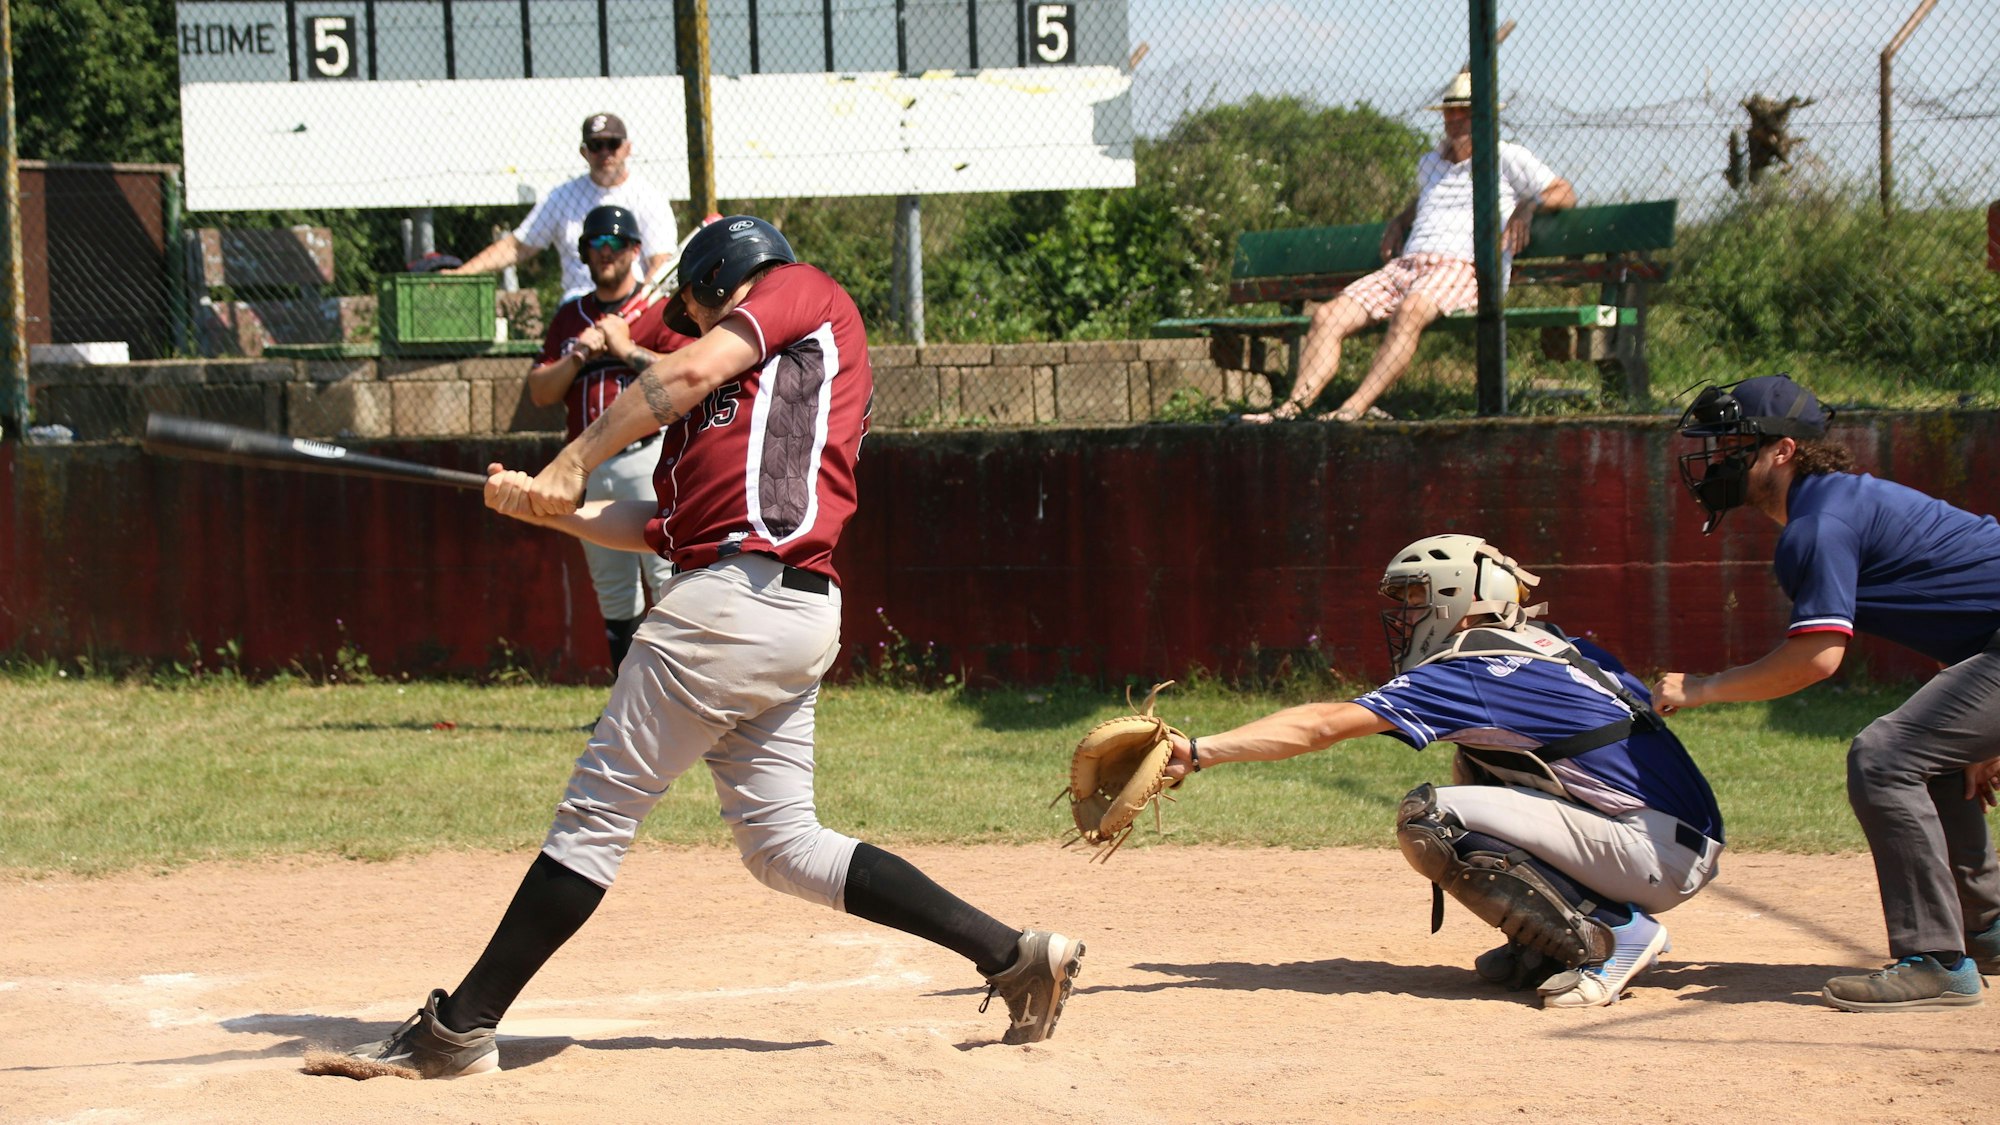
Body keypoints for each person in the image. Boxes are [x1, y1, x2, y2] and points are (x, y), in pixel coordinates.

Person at [315, 216, 1083, 1080]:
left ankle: (458, 1028)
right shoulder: (731, 412)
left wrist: (573, 456)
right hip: (775, 612)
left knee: (597, 813)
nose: (699, 326)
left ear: (724, 277)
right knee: (784, 843)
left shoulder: (801, 290)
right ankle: (1014, 956)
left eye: (699, 307)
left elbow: (680, 371)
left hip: (737, 603)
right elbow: (658, 527)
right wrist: (543, 503)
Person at [1162, 534, 1724, 1008]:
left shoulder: (1473, 669)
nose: (1405, 616)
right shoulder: (1556, 647)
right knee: (1473, 762)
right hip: (1668, 838)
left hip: (1647, 850)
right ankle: (1550, 941)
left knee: (1431, 817)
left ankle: (1620, 932)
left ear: (1463, 599)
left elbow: (1323, 725)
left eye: (1417, 598)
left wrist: (1199, 749)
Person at [1654, 373, 2000, 1012]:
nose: (1718, 461)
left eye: (1734, 446)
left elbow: (1815, 659)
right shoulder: (1838, 503)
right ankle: (1987, 932)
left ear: (1782, 451)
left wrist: (1702, 688)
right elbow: (1967, 603)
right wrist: (1980, 734)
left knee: (1884, 757)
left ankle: (1936, 961)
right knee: (1932, 757)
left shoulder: (1820, 526)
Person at [1244, 72, 1574, 424]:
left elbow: (1564, 192)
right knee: (1326, 316)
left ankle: (1353, 408)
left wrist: (1528, 206)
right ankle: (1290, 410)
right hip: (1407, 266)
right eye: (1451, 113)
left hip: (1464, 267)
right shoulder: (1430, 163)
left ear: (1485, 116)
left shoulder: (1506, 156)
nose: (1456, 120)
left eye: (1465, 112)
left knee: (1410, 310)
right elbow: (1428, 200)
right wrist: (1402, 219)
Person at [527, 204, 689, 679]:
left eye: (615, 244)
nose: (605, 253)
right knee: (614, 589)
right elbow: (540, 391)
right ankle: (624, 698)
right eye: (595, 245)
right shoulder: (570, 318)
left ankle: (676, 695)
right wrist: (580, 353)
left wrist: (624, 350)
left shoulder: (659, 313)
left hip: (651, 457)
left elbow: (686, 379)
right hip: (589, 468)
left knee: (668, 578)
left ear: (635, 250)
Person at [448, 113, 678, 301]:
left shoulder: (648, 197)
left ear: (627, 148)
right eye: (596, 145)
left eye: (613, 144)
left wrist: (639, 308)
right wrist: (461, 275)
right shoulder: (563, 196)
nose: (605, 152)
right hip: (577, 302)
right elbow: (518, 246)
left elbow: (660, 264)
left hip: (630, 301)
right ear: (584, 151)